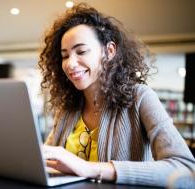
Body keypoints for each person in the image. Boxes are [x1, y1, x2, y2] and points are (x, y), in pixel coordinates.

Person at [38, 3, 195, 187]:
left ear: (109, 51)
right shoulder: (68, 108)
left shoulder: (141, 97)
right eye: (65, 56)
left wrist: (90, 168)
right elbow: (48, 156)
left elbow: (186, 170)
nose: (70, 64)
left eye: (81, 51)